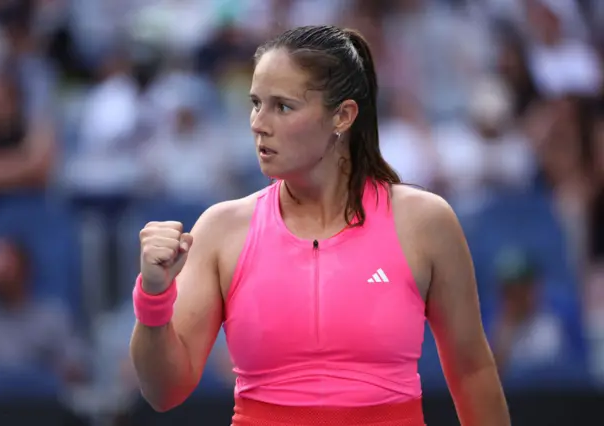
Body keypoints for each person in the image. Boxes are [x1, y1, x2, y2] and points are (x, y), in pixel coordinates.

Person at [130, 25, 509, 426]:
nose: (259, 123)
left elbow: (472, 373)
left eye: (283, 106)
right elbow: (163, 392)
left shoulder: (426, 222)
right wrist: (154, 296)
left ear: (342, 116)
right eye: (256, 103)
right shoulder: (221, 229)